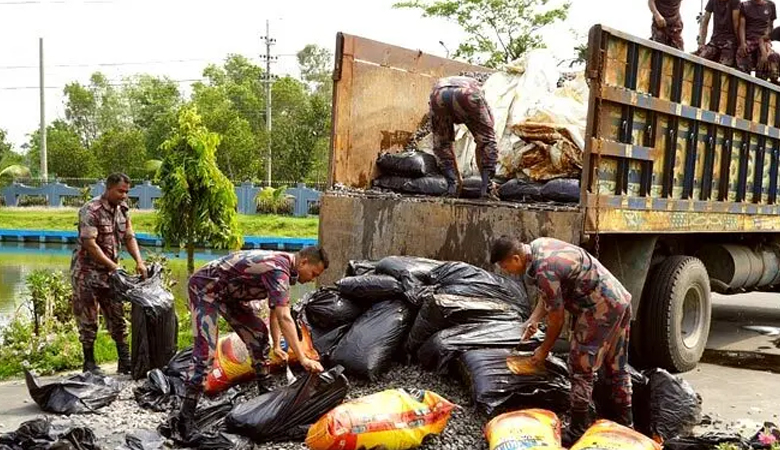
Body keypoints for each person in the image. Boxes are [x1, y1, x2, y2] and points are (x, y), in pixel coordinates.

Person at [490, 236, 632, 445]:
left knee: (580, 365)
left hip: (600, 308)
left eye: (505, 266)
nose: (506, 271)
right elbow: (548, 294)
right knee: (616, 365)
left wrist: (543, 350)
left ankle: (577, 430)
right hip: (619, 300)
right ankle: (626, 425)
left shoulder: (543, 269)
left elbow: (557, 320)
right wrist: (534, 319)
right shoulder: (539, 247)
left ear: (516, 258)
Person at [176, 246, 328, 439]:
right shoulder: (278, 270)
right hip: (205, 289)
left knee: (258, 335)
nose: (312, 279)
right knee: (206, 354)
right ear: (304, 262)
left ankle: (264, 392)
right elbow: (284, 316)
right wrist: (303, 358)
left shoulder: (285, 270)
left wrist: (275, 345)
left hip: (229, 296)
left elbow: (276, 311)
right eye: (313, 273)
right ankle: (185, 417)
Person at [71, 173, 147, 375]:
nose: (124, 195)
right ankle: (89, 363)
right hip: (86, 274)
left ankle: (125, 361)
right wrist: (113, 266)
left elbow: (129, 237)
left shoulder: (123, 209)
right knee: (88, 321)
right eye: (120, 191)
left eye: (127, 192)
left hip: (111, 275)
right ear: (109, 188)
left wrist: (139, 262)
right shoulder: (91, 210)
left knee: (118, 317)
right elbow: (90, 244)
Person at [429, 75, 498, 199]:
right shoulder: (479, 91)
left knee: (441, 144)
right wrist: (486, 177)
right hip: (468, 95)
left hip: (438, 95)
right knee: (486, 141)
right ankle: (487, 189)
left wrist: (458, 179)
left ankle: (452, 186)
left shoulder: (448, 82)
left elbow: (443, 145)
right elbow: (485, 143)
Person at [737, 0, 780, 82]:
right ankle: (743, 79)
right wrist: (742, 43)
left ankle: (764, 80)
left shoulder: (770, 5)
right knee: (742, 53)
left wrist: (767, 46)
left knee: (768, 60)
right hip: (749, 39)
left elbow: (770, 26)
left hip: (764, 40)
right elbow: (741, 26)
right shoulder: (745, 6)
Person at [695, 0, 741, 67]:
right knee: (699, 59)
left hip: (729, 42)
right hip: (715, 41)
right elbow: (705, 22)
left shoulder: (735, 2)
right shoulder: (713, 1)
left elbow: (736, 24)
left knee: (724, 66)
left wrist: (739, 44)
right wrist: (702, 43)